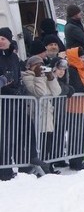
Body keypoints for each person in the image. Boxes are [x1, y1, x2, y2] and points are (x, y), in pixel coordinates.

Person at [22, 55, 63, 173]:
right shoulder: (27, 77)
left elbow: (56, 92)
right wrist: (39, 76)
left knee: (47, 143)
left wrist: (51, 78)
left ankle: (47, 167)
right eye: (36, 65)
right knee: (39, 144)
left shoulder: (44, 76)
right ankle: (39, 169)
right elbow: (40, 92)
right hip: (36, 114)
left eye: (41, 65)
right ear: (30, 67)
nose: (40, 67)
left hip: (47, 115)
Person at [0, 27, 24, 180]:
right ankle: (4, 169)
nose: (0, 41)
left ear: (9, 40)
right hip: (3, 100)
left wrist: (20, 90)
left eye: (3, 39)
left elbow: (17, 76)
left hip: (13, 102)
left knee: (10, 136)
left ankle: (7, 166)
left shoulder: (14, 57)